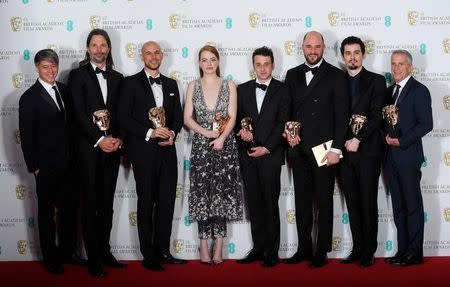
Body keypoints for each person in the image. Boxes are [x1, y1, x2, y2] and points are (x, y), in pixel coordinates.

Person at [118, 41, 186, 271]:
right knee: (147, 202)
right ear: (142, 56)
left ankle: (163, 250)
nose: (153, 56)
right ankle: (148, 254)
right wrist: (150, 132)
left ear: (162, 55)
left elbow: (176, 116)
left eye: (157, 52)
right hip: (143, 152)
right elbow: (123, 117)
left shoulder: (171, 83)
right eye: (149, 53)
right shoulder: (129, 84)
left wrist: (173, 133)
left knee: (167, 202)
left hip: (168, 151)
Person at [283, 31, 348, 267]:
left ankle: (321, 251)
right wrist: (287, 134)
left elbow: (342, 117)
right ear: (302, 47)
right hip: (298, 149)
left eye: (317, 46)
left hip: (324, 149)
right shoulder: (291, 75)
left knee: (323, 201)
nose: (313, 50)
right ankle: (303, 248)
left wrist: (337, 149)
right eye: (308, 46)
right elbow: (287, 111)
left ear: (324, 48)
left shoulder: (336, 76)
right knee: (301, 202)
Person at [68, 29, 125, 277]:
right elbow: (78, 113)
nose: (99, 49)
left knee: (107, 204)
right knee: (91, 204)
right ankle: (93, 258)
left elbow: (122, 113)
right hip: (89, 150)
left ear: (109, 48)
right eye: (94, 45)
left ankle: (104, 250)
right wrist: (99, 139)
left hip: (112, 149)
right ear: (88, 49)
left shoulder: (118, 77)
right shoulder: (77, 75)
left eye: (103, 45)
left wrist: (119, 138)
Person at [18, 49, 80, 274]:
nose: (51, 70)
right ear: (37, 68)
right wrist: (34, 167)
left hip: (69, 164)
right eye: (45, 66)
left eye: (54, 65)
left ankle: (68, 251)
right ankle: (50, 258)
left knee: (69, 211)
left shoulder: (64, 90)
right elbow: (26, 135)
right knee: (46, 215)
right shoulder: (29, 97)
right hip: (45, 167)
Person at [183, 45, 243, 265]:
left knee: (220, 194)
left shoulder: (229, 85)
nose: (208, 63)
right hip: (200, 146)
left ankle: (218, 244)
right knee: (202, 194)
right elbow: (187, 118)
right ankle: (202, 243)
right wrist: (206, 132)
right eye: (204, 60)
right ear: (199, 63)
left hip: (224, 147)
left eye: (212, 59)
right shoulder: (192, 86)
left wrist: (220, 138)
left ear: (218, 62)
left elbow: (232, 116)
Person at [235, 46, 290, 267]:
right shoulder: (242, 89)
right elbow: (237, 120)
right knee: (254, 204)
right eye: (258, 64)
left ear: (273, 65)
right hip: (247, 155)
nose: (263, 68)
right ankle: (258, 248)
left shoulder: (283, 90)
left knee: (270, 203)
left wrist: (266, 147)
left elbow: (282, 123)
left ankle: (271, 251)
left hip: (270, 155)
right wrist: (242, 132)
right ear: (253, 66)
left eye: (266, 64)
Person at [337, 36, 386, 267]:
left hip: (368, 151)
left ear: (364, 55)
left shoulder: (376, 81)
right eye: (348, 53)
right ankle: (357, 248)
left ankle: (369, 250)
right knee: (353, 203)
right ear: (342, 56)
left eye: (356, 52)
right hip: (344, 153)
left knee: (367, 201)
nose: (352, 57)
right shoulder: (336, 80)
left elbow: (378, 116)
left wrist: (358, 138)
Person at [384, 50, 432, 266]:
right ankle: (403, 250)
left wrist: (402, 141)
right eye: (393, 64)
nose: (396, 68)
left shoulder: (419, 91)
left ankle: (415, 253)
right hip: (390, 158)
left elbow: (426, 124)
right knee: (399, 206)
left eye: (401, 64)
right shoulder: (389, 91)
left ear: (410, 67)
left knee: (412, 205)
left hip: (408, 156)